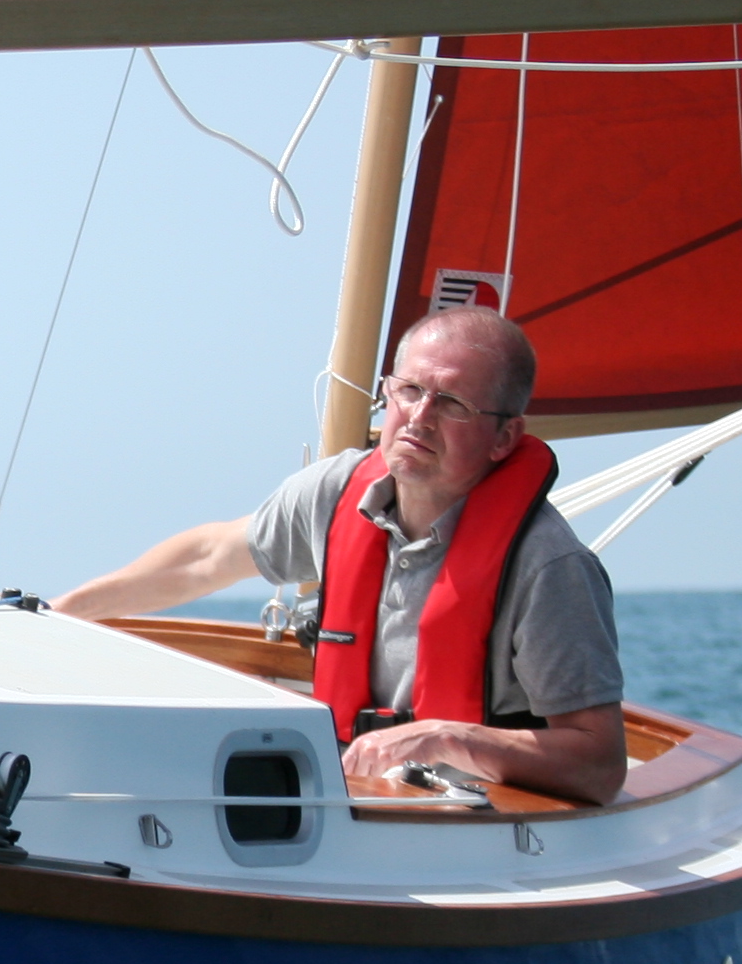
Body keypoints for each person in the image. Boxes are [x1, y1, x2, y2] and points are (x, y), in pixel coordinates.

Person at [51, 307, 626, 804]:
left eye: (452, 404)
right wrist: (60, 615)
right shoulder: (335, 492)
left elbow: (599, 766)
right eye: (409, 390)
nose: (420, 416)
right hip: (340, 801)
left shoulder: (549, 568)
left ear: (505, 438)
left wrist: (448, 738)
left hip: (469, 825)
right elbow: (206, 558)